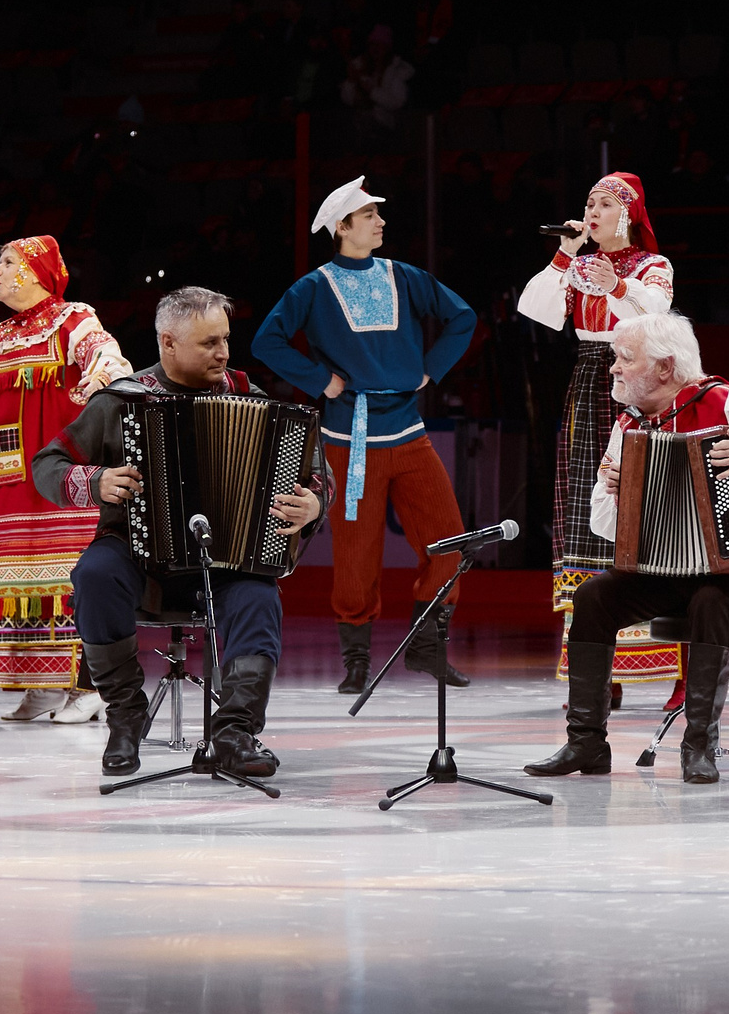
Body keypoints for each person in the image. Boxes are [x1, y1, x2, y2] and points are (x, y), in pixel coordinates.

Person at [34, 288, 327, 780]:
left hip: (227, 559)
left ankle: (234, 732)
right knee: (94, 574)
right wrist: (96, 482)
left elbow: (314, 471)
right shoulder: (122, 399)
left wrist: (314, 502)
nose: (225, 353)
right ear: (168, 343)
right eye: (209, 343)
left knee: (260, 595)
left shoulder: (246, 396)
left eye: (226, 340)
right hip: (138, 556)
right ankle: (126, 716)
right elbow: (48, 466)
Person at [524, 314, 729, 785]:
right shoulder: (628, 426)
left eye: (625, 359)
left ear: (666, 367)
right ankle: (587, 742)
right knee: (591, 599)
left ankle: (699, 744)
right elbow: (601, 523)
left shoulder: (727, 401)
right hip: (661, 567)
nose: (613, 369)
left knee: (710, 601)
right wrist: (615, 491)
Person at [253, 178, 479, 695]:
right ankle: (355, 661)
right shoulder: (312, 287)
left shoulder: (403, 275)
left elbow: (462, 317)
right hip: (349, 437)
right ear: (342, 227)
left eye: (378, 213)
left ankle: (427, 649)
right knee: (355, 558)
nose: (381, 222)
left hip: (409, 430)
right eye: (370, 214)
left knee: (450, 540)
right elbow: (266, 341)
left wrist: (429, 370)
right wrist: (319, 379)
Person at [0, 236, 131, 721]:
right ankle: (41, 683)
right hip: (4, 481)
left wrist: (94, 388)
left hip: (57, 476)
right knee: (17, 583)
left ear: (36, 273)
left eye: (8, 262)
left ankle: (89, 687)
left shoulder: (72, 318)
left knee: (69, 578)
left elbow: (110, 361)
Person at [515, 172, 676, 691]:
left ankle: (667, 657)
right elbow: (535, 311)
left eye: (604, 204)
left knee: (643, 507)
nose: (592, 212)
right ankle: (595, 664)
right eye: (588, 203)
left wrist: (617, 286)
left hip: (642, 377)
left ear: (627, 214)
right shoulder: (578, 267)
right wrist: (565, 257)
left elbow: (655, 314)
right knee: (588, 506)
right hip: (590, 382)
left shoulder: (653, 266)